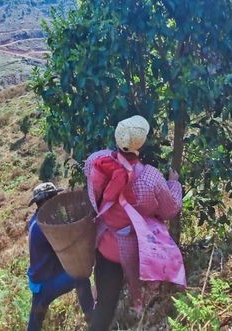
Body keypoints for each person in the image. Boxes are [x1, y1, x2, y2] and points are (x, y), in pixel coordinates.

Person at [84, 115, 185, 330]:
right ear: (142, 143)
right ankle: (139, 309)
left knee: (104, 304)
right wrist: (174, 184)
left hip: (105, 244)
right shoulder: (151, 178)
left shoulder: (97, 161)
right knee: (142, 296)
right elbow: (170, 209)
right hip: (137, 250)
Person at [26, 182, 94, 331]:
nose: (57, 201)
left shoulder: (37, 220)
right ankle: (93, 321)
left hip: (39, 278)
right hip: (45, 282)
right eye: (54, 198)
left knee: (36, 318)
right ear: (46, 201)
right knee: (80, 278)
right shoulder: (46, 226)